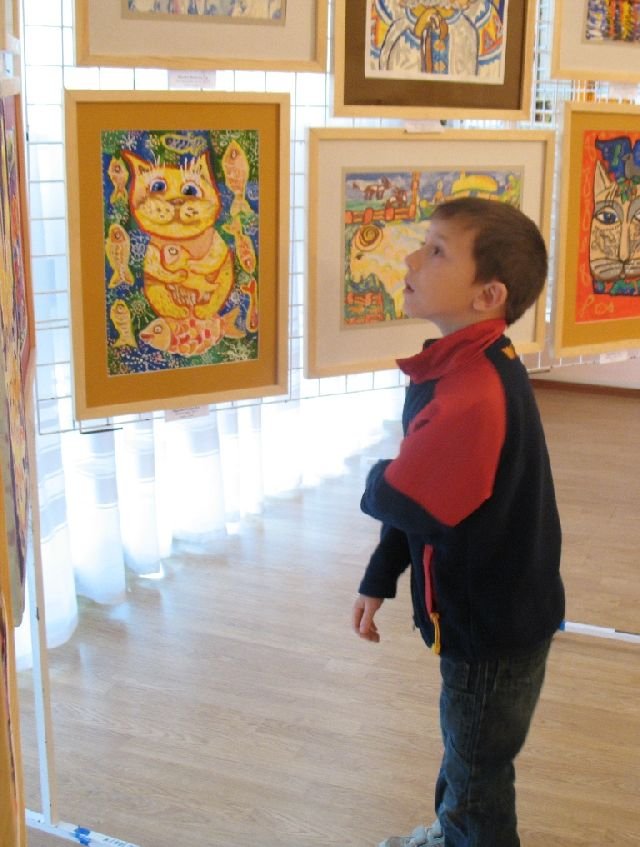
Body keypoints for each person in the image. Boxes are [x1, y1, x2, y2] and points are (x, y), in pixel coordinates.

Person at [352, 197, 565, 847]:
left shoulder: (471, 393)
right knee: (470, 753)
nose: (412, 260)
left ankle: (463, 834)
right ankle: (454, 833)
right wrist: (380, 575)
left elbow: (403, 494)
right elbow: (423, 500)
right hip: (497, 616)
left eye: (437, 251)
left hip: (490, 631)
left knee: (477, 777)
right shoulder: (464, 364)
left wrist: (374, 472)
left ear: (487, 295)